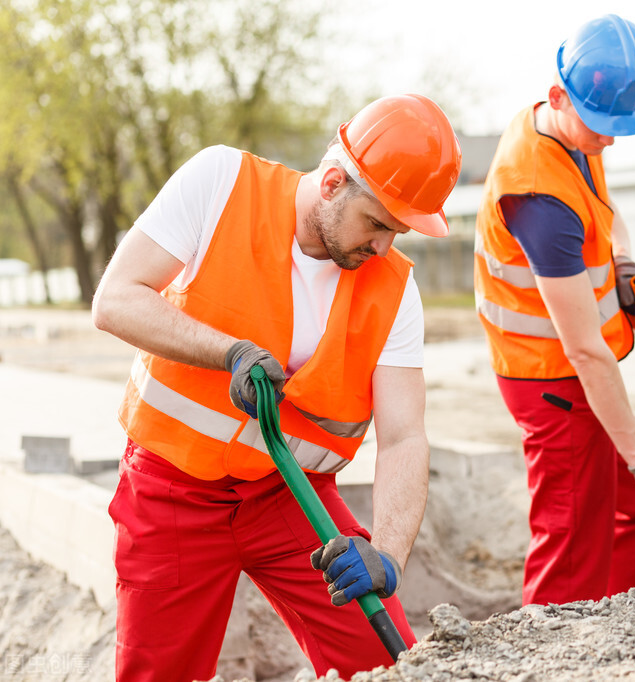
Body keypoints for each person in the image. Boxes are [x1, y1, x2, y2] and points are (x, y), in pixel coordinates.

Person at [92, 94, 462, 681]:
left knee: (385, 659)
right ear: (334, 182)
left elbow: (403, 437)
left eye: (399, 232)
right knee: (158, 673)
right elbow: (115, 300)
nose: (384, 248)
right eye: (377, 224)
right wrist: (227, 352)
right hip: (172, 492)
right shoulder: (221, 183)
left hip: (290, 495)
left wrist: (386, 555)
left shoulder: (395, 292)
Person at [473, 14, 635, 606]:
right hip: (553, 384)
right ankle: (554, 657)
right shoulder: (537, 197)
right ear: (558, 94)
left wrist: (622, 259)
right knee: (572, 550)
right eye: (603, 125)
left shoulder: (570, 134)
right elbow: (583, 349)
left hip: (581, 375)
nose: (612, 139)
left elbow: (605, 211)